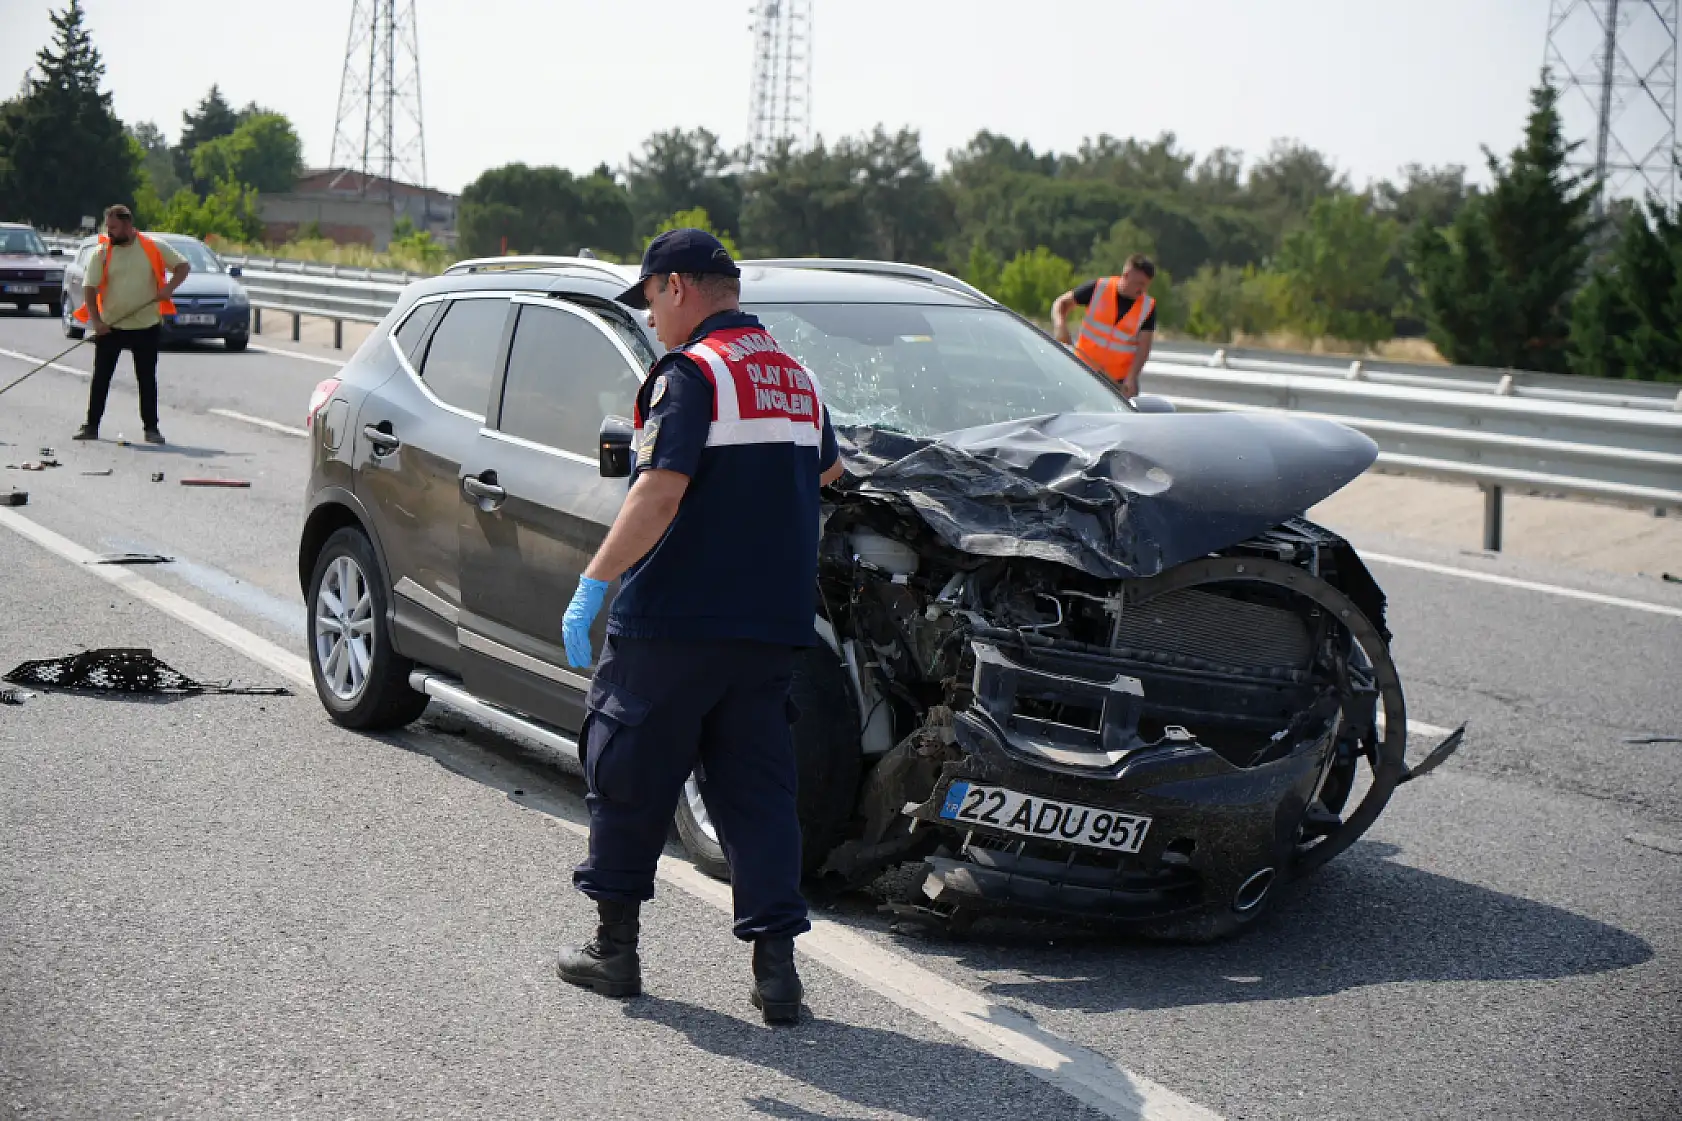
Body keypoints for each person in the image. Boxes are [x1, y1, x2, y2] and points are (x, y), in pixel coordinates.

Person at [555, 229, 845, 1025]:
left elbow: (658, 493)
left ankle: (614, 951)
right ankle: (777, 975)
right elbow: (828, 469)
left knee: (627, 774)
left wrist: (593, 582)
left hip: (674, 621)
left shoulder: (691, 373)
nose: (651, 318)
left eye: (650, 298)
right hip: (769, 627)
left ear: (677, 285)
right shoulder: (796, 376)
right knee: (757, 795)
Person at [71, 204, 190, 444]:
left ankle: (151, 429)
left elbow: (183, 266)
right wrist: (97, 322)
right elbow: (89, 288)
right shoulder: (102, 252)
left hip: (146, 325)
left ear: (127, 224)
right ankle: (91, 426)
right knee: (101, 377)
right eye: (108, 227)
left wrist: (168, 289)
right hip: (111, 326)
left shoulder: (152, 247)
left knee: (146, 379)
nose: (110, 232)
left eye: (114, 227)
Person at [1051, 253, 1158, 398]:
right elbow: (1061, 304)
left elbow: (1143, 348)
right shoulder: (1099, 288)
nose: (1142, 290)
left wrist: (1131, 378)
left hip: (1117, 381)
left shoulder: (1147, 307)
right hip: (1083, 371)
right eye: (1139, 284)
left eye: (1146, 285)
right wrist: (1060, 326)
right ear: (1126, 275)